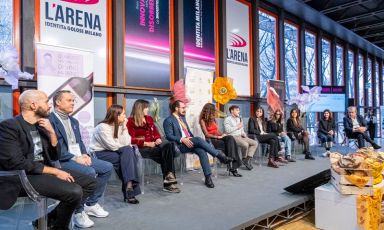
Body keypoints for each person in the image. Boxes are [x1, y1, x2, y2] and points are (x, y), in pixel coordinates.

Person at [0, 90, 96, 230]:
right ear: (33, 105)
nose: (49, 105)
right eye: (45, 102)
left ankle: (49, 220)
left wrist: (52, 134)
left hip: (43, 172)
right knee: (74, 191)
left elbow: (54, 156)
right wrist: (55, 172)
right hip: (23, 176)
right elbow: (15, 162)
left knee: (90, 183)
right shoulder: (9, 126)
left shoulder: (42, 126)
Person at [49, 90, 113, 228]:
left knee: (106, 167)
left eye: (73, 100)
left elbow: (79, 142)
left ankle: (91, 203)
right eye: (69, 100)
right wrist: (76, 158)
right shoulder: (50, 120)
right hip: (61, 160)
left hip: (77, 156)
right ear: (58, 102)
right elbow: (55, 148)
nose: (72, 103)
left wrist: (85, 155)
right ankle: (78, 210)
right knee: (88, 172)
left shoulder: (73, 121)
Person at [163, 100, 233, 188]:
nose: (185, 109)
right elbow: (169, 136)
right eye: (183, 108)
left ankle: (208, 178)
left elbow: (188, 133)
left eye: (185, 107)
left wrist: (192, 139)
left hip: (189, 142)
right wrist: (182, 139)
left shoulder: (182, 119)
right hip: (179, 145)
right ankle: (220, 156)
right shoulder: (168, 120)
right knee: (199, 139)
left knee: (201, 151)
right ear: (176, 108)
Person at [89, 104, 142, 204]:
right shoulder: (102, 127)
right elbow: (112, 146)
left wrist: (125, 127)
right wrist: (125, 147)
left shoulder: (120, 126)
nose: (125, 117)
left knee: (127, 154)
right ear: (116, 115)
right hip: (98, 153)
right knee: (127, 157)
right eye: (123, 114)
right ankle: (129, 188)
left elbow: (127, 143)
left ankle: (129, 186)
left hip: (114, 152)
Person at [127, 99, 180, 193]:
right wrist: (146, 143)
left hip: (154, 146)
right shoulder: (130, 121)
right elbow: (130, 139)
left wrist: (157, 139)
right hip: (141, 149)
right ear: (140, 108)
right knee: (168, 155)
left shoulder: (149, 118)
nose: (148, 109)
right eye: (146, 107)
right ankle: (169, 182)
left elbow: (155, 133)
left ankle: (169, 179)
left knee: (167, 146)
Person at [199, 103, 242, 177]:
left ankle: (230, 160)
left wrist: (222, 135)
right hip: (211, 140)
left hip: (218, 138)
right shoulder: (202, 120)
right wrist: (217, 137)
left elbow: (217, 131)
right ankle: (233, 167)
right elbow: (206, 134)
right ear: (209, 111)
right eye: (213, 111)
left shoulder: (213, 120)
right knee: (229, 144)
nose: (214, 113)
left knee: (230, 137)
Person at [224, 105, 258, 170]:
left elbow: (241, 129)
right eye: (237, 110)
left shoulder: (239, 119)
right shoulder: (227, 119)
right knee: (245, 144)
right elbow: (227, 130)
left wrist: (243, 133)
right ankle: (244, 158)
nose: (239, 111)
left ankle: (246, 160)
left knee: (255, 143)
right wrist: (238, 127)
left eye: (239, 110)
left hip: (241, 136)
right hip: (233, 137)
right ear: (232, 111)